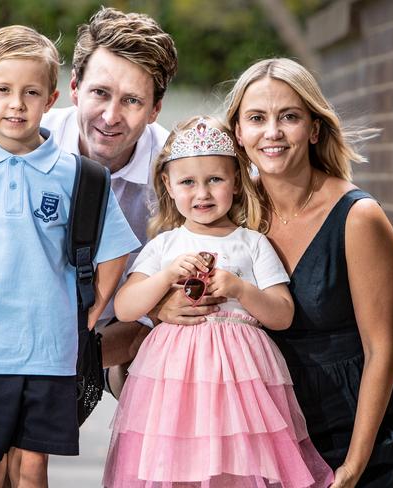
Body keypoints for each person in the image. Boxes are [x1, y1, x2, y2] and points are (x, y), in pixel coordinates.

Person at [0, 8, 192, 488]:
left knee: (31, 464)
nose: (112, 116)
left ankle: (156, 473)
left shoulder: (179, 172)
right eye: (100, 93)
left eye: (133, 101)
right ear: (72, 89)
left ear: (155, 108)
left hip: (112, 334)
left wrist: (86, 325)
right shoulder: (6, 133)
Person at [217, 58, 393, 487]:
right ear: (239, 133)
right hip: (278, 428)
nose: (273, 132)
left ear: (314, 129)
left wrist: (353, 467)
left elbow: (381, 350)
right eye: (257, 118)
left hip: (368, 436)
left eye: (290, 117)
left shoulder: (358, 218)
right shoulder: (233, 214)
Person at [102, 115, 335, 487]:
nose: (202, 193)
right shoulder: (165, 245)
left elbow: (283, 314)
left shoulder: (252, 243)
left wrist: (241, 289)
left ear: (237, 183)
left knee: (236, 467)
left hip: (241, 384)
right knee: (177, 466)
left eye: (215, 179)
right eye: (188, 182)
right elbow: (126, 307)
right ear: (168, 184)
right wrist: (165, 277)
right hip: (174, 383)